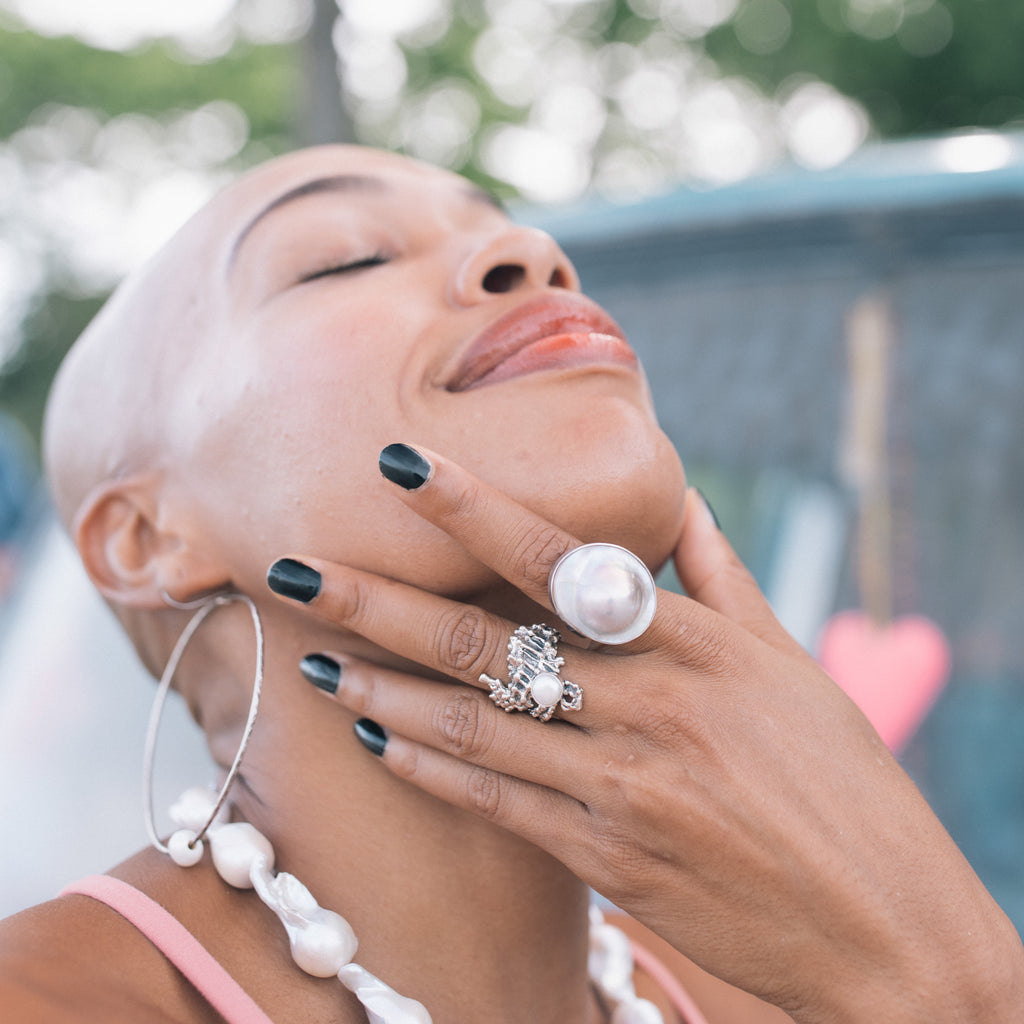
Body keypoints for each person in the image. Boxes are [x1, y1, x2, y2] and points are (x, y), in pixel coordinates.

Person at [1, 144, 1020, 1023]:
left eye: (520, 233)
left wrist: (945, 973)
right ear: (146, 537)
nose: (532, 256)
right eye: (347, 256)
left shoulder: (787, 990)